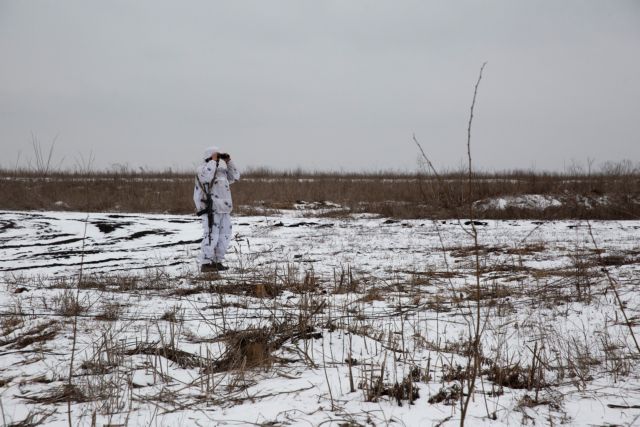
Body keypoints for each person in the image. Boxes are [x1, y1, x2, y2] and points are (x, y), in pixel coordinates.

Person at [193, 146, 240, 272]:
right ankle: (206, 263)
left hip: (224, 209)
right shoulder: (202, 170)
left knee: (225, 236)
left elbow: (235, 176)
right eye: (216, 156)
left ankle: (217, 261)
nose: (218, 159)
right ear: (208, 157)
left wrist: (229, 161)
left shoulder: (221, 172)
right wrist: (213, 161)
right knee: (211, 236)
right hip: (210, 209)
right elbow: (206, 178)